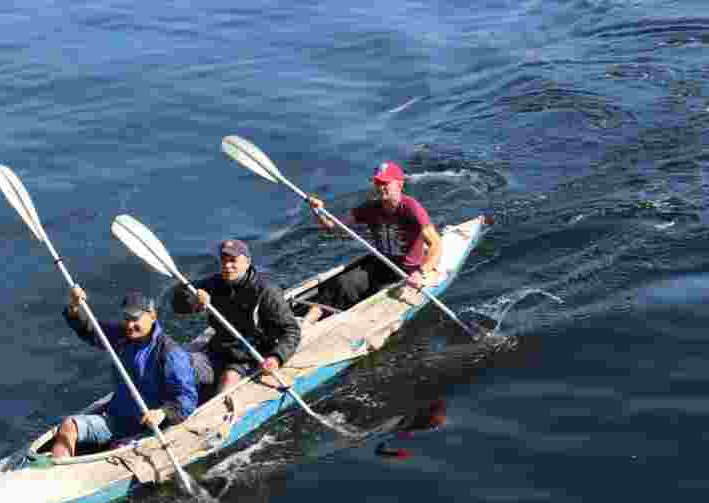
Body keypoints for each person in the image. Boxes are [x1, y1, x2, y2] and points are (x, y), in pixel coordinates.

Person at [49, 288, 198, 459]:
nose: (129, 325)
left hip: (150, 428)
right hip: (118, 418)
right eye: (126, 318)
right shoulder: (123, 337)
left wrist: (162, 413)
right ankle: (55, 471)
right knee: (69, 426)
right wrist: (75, 307)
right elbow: (91, 330)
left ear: (153, 316)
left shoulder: (170, 353)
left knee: (116, 450)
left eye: (135, 319)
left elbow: (187, 399)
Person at [302, 161, 443, 325]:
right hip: (382, 263)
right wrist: (317, 210)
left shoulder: (411, 207)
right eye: (377, 182)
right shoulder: (370, 207)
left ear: (400, 184)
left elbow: (436, 244)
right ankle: (305, 325)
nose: (380, 187)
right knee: (342, 283)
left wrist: (421, 272)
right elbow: (334, 228)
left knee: (383, 293)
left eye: (385, 183)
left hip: (408, 270)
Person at [172, 239, 301, 395]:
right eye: (224, 261)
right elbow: (178, 306)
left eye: (233, 261)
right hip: (220, 348)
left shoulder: (266, 291)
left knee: (227, 382)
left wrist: (277, 357)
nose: (227, 266)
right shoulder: (214, 284)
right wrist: (192, 298)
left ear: (247, 262)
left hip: (250, 354)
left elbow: (291, 330)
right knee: (179, 365)